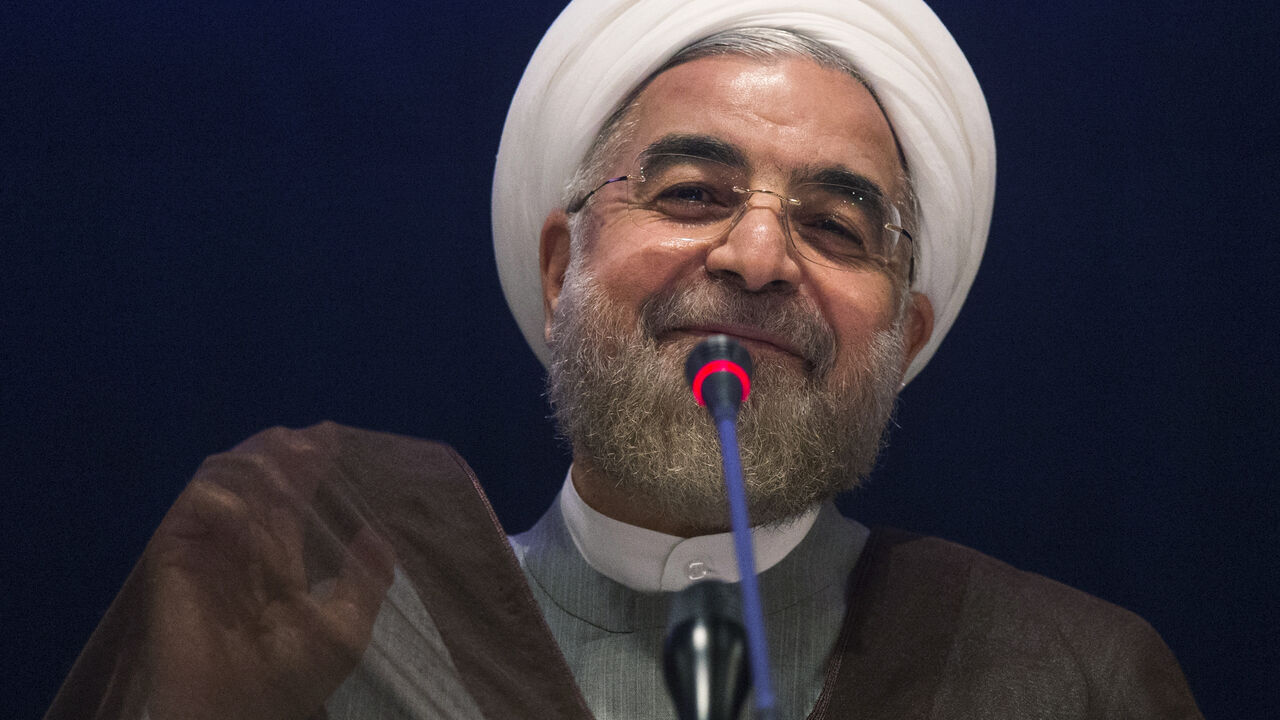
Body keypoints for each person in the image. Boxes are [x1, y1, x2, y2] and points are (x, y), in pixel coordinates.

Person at [46, 1, 1203, 719]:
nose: (756, 256)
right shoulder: (319, 632)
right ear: (562, 269)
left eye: (834, 227)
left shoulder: (1066, 678)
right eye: (692, 191)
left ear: (902, 338)